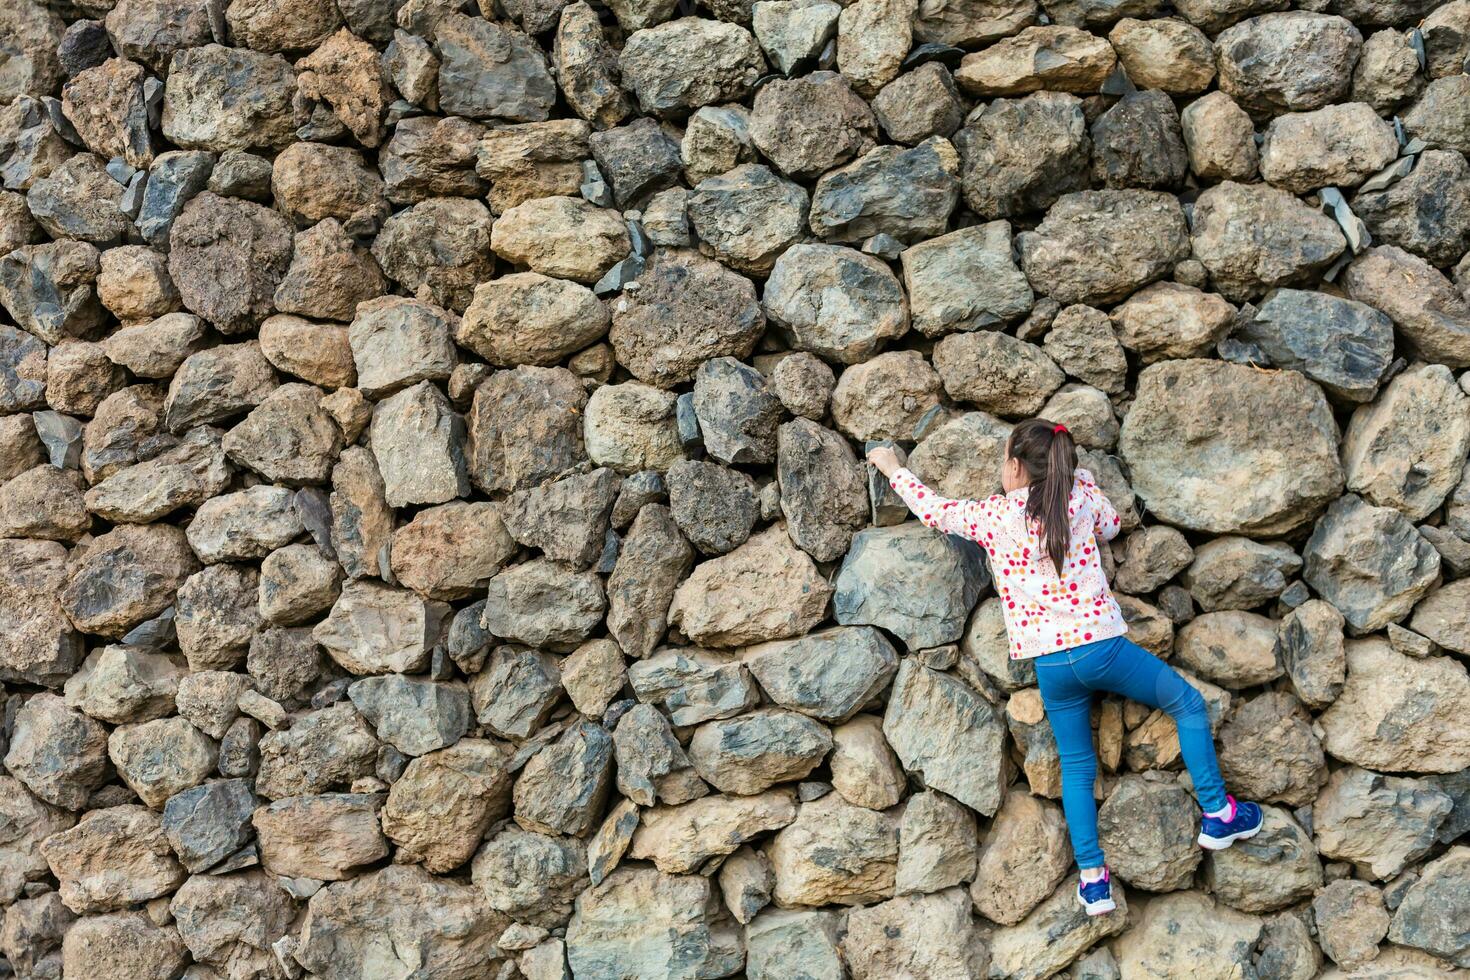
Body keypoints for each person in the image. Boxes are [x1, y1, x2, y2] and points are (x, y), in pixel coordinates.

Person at [866, 418, 1263, 916]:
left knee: (1077, 766)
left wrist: (893, 467)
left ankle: (1093, 880)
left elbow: (934, 511)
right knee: (1186, 704)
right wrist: (1088, 482)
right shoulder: (1078, 500)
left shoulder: (993, 516)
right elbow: (1114, 525)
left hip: (1052, 665)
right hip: (1104, 650)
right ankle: (1218, 813)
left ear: (1014, 467)